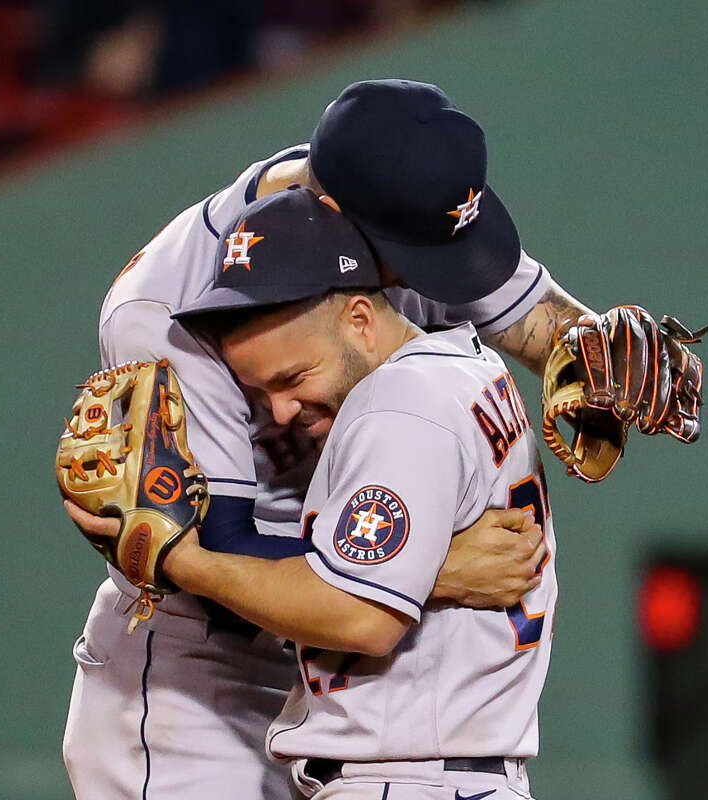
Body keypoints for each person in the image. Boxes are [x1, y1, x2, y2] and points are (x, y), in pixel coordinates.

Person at [61, 79, 634, 799]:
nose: (432, 276)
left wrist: (607, 357)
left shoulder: (394, 202)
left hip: (341, 670)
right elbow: (207, 553)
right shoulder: (166, 310)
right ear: (332, 218)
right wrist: (426, 570)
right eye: (413, 256)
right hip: (202, 676)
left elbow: (548, 330)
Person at [160, 184, 554, 799]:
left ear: (361, 319)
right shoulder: (467, 365)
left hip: (405, 778)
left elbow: (361, 614)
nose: (282, 411)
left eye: (294, 378)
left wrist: (182, 562)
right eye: (261, 395)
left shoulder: (398, 403)